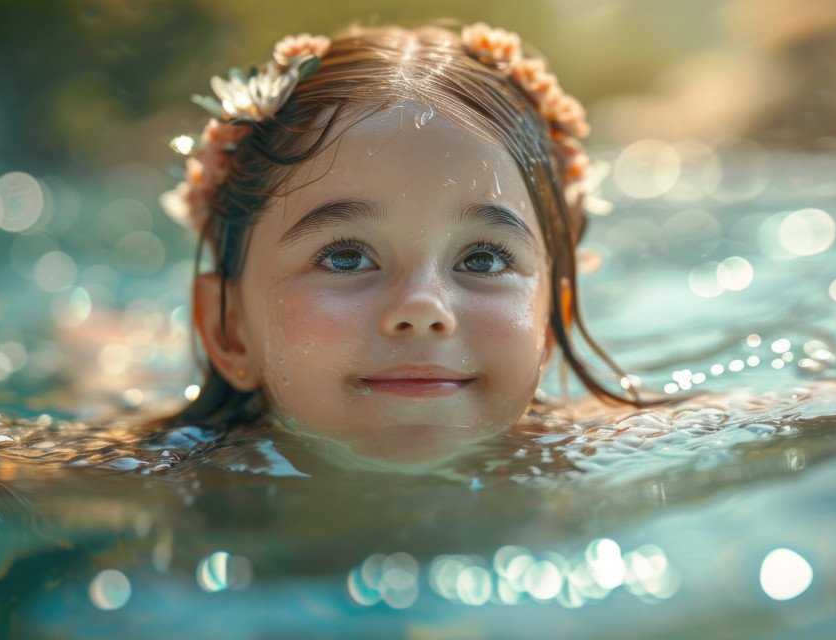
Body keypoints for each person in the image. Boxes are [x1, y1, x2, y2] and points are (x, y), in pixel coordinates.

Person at [159, 23, 640, 471]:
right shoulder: (140, 480)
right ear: (228, 330)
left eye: (483, 259)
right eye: (345, 257)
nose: (423, 309)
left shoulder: (630, 452)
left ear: (549, 324)